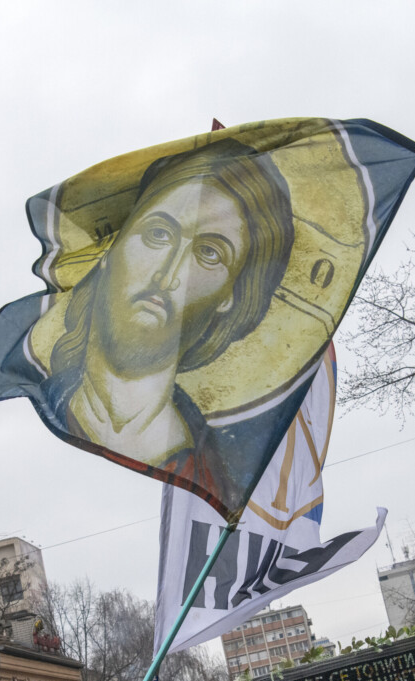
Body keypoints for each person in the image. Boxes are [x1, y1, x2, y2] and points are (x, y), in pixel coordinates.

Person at [33, 138, 295, 509]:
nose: (169, 274)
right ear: (111, 251)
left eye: (208, 252)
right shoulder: (45, 406)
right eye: (159, 234)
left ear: (229, 295)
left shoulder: (214, 478)